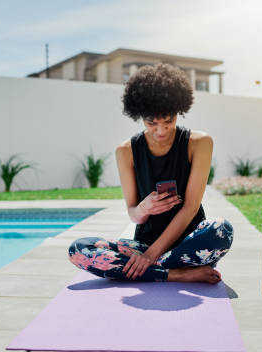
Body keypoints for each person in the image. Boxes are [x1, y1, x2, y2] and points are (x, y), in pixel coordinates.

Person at [68, 63, 233, 284]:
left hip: (189, 243)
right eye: (151, 123)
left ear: (178, 111)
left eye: (168, 121)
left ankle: (141, 270)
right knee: (78, 249)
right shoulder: (126, 151)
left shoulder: (200, 143)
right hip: (148, 247)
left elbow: (190, 207)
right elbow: (133, 214)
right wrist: (145, 208)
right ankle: (175, 274)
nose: (161, 130)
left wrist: (149, 256)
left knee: (222, 230)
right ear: (139, 115)